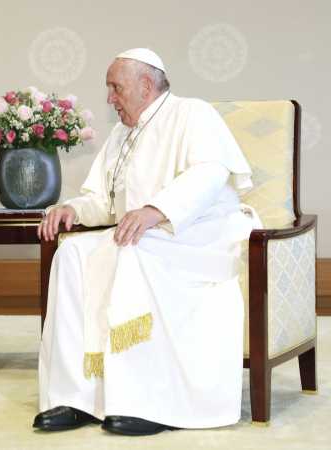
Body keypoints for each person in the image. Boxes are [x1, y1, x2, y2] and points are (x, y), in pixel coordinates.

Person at [34, 48, 262, 436]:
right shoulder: (121, 133)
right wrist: (72, 209)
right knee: (71, 251)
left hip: (201, 237)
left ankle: (146, 402)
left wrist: (156, 210)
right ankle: (77, 397)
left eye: (115, 87)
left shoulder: (192, 112)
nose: (109, 98)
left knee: (134, 249)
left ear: (145, 85)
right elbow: (105, 201)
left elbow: (211, 171)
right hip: (145, 235)